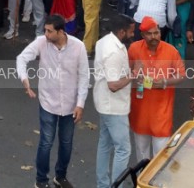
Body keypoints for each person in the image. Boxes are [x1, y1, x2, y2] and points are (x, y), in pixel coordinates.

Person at [17, 15, 89, 188]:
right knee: (46, 142)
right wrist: (24, 79)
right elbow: (22, 58)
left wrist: (80, 103)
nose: (46, 34)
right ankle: (41, 180)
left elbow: (84, 76)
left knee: (66, 143)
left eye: (49, 31)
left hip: (70, 105)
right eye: (45, 30)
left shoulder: (78, 47)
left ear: (61, 32)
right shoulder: (42, 42)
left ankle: (60, 177)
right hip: (48, 102)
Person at [128, 17, 183, 161]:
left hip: (162, 114)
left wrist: (165, 82)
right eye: (149, 34)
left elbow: (181, 75)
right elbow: (125, 73)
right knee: (142, 154)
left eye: (156, 33)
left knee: (161, 156)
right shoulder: (134, 49)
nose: (154, 37)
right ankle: (141, 182)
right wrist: (135, 75)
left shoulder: (171, 51)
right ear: (142, 35)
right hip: (140, 113)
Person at [92, 15, 136, 188]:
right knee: (123, 149)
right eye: (131, 31)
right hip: (114, 106)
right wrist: (133, 75)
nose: (133, 34)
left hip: (104, 103)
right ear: (121, 31)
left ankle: (102, 184)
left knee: (105, 144)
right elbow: (113, 85)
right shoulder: (114, 52)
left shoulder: (104, 42)